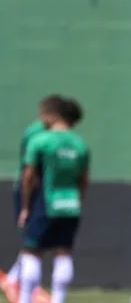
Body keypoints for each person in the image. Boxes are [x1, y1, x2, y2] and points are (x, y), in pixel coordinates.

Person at [18, 98, 89, 303]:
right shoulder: (80, 144)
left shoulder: (40, 141)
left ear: (53, 115)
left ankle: (25, 300)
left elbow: (29, 177)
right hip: (70, 205)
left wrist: (25, 207)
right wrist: (78, 201)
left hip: (45, 204)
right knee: (63, 252)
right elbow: (83, 179)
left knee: (32, 252)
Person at [0, 95, 67, 303]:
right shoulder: (37, 133)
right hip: (32, 191)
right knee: (34, 241)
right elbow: (32, 170)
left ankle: (13, 279)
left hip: (48, 192)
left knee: (41, 241)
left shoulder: (58, 135)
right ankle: (22, 286)